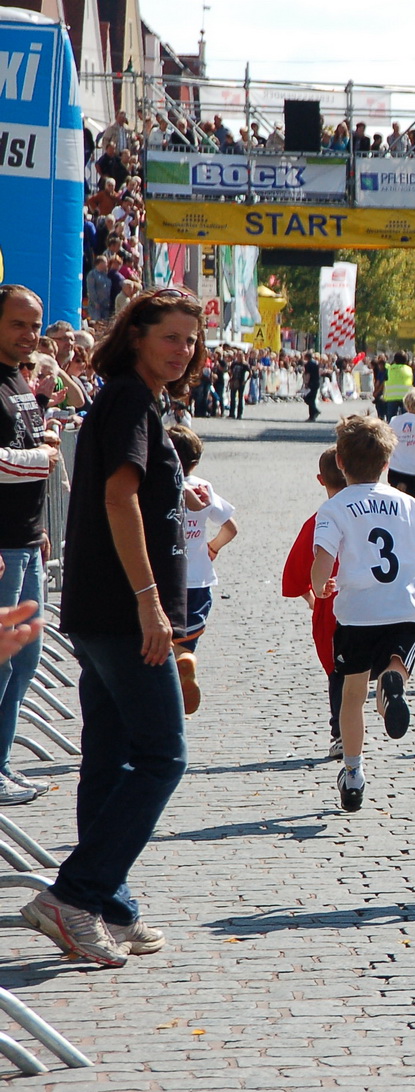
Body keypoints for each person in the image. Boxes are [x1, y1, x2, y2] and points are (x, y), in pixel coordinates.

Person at [22, 288, 203, 967]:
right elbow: (118, 496)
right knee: (163, 756)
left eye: (190, 339)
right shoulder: (128, 398)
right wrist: (151, 601)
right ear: (136, 337)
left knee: (111, 756)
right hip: (125, 612)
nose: (183, 350)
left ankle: (111, 904)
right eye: (170, 337)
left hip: (103, 608)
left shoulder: (133, 397)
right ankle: (76, 893)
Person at [312, 415, 415, 813]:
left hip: (357, 612)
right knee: (397, 659)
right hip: (404, 606)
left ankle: (353, 773)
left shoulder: (335, 508)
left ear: (340, 461)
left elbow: (321, 565)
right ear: (388, 462)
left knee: (352, 695)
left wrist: (321, 586)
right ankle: (393, 680)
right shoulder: (411, 506)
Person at [0, 285, 60, 805]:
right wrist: (43, 456)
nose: (30, 334)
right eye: (19, 324)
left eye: (35, 324)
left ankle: (1, 765)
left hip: (26, 538)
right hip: (1, 547)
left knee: (24, 661)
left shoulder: (19, 379)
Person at [283, 449, 349, 762]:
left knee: (338, 674)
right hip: (371, 602)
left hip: (333, 609)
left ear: (320, 480)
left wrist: (313, 599)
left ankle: (339, 733)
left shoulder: (320, 519)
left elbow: (296, 575)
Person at [167, 426, 238, 715]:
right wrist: (213, 547)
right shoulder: (204, 488)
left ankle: (177, 672)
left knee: (165, 638)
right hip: (199, 579)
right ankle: (187, 661)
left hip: (167, 576)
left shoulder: (161, 485)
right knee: (187, 637)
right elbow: (231, 528)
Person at [303, 354, 323, 422]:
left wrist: (306, 383)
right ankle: (313, 415)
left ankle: (314, 412)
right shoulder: (315, 364)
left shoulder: (308, 364)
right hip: (316, 382)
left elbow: (308, 374)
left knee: (308, 399)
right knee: (312, 399)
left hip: (311, 383)